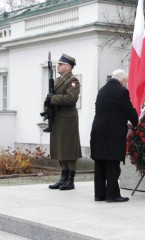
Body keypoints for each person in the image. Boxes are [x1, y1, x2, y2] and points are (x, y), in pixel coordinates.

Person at [90, 69, 138, 202]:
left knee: (99, 163)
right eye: (126, 82)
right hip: (111, 132)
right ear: (122, 80)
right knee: (112, 163)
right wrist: (135, 121)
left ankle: (99, 194)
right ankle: (113, 195)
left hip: (97, 130)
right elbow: (128, 109)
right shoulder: (121, 91)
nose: (126, 85)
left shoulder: (102, 90)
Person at [48, 53, 82, 191]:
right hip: (57, 118)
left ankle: (70, 179)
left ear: (68, 67)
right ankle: (63, 177)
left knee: (68, 149)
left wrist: (53, 98)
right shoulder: (58, 80)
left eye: (60, 64)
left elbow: (70, 98)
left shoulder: (72, 81)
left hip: (68, 120)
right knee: (60, 149)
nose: (58, 66)